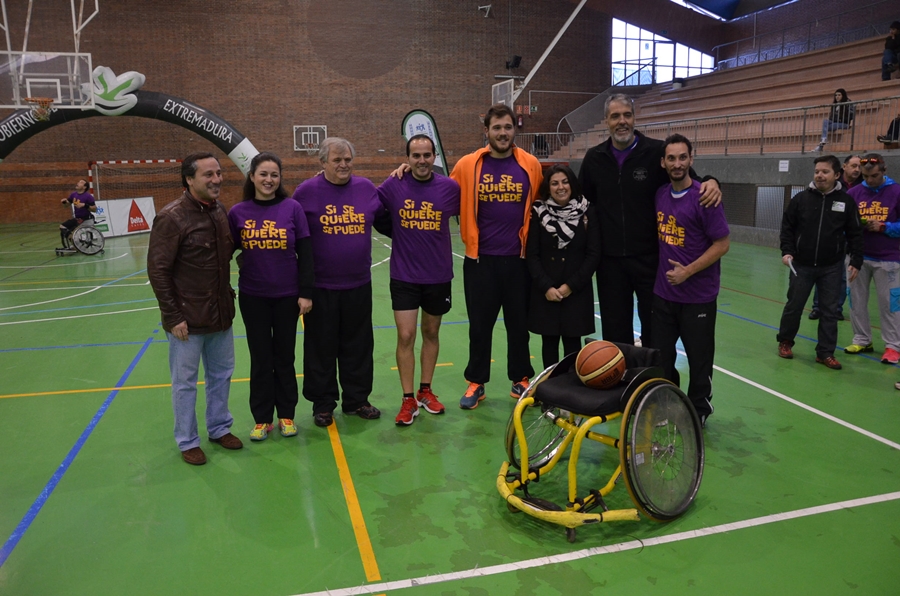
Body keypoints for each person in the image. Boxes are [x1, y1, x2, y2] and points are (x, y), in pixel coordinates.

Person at [578, 93, 720, 348]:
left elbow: (691, 180)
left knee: (655, 329)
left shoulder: (656, 152)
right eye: (615, 116)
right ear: (606, 121)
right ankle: (619, 384)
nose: (622, 121)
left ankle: (651, 382)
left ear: (634, 118)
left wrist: (712, 180)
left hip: (651, 260)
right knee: (615, 331)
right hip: (610, 263)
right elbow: (584, 205)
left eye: (627, 115)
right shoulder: (594, 159)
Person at [147, 152, 242, 465]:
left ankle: (218, 427)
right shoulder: (171, 217)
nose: (216, 179)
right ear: (189, 179)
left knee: (222, 374)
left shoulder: (219, 212)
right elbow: (158, 270)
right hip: (186, 320)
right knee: (185, 383)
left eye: (218, 173)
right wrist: (173, 316)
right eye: (208, 175)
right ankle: (187, 440)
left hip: (220, 314)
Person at [451, 104, 543, 409]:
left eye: (507, 127)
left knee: (519, 324)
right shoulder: (467, 165)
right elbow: (442, 193)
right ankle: (476, 382)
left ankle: (521, 379)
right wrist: (407, 171)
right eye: (496, 128)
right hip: (480, 261)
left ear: (514, 129)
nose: (502, 133)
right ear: (486, 131)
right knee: (480, 325)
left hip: (518, 260)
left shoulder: (530, 164)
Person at [291, 138, 388, 427]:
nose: (344, 164)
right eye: (337, 160)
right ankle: (323, 403)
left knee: (358, 345)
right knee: (321, 347)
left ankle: (357, 400)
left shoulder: (366, 189)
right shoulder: (305, 193)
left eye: (348, 159)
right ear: (322, 163)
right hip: (321, 288)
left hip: (359, 284)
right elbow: (292, 233)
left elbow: (387, 221)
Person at [227, 152, 314, 441]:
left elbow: (306, 254)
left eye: (274, 175)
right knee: (261, 358)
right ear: (252, 177)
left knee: (285, 357)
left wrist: (305, 293)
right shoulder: (238, 213)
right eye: (263, 174)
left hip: (288, 297)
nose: (268, 180)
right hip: (253, 298)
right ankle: (262, 418)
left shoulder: (292, 208)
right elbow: (226, 254)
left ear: (280, 179)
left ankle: (286, 415)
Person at [377, 134, 460, 425]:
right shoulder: (394, 184)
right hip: (404, 275)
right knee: (406, 335)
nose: (422, 161)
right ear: (408, 158)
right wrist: (395, 231)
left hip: (437, 275)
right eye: (416, 155)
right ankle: (407, 398)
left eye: (427, 155)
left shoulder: (450, 188)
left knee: (431, 333)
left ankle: (426, 390)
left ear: (434, 156)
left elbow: (471, 214)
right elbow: (373, 209)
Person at [650, 135, 730, 428]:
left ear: (691, 160)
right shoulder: (659, 194)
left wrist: (688, 271)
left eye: (683, 157)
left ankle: (699, 411)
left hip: (698, 296)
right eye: (671, 158)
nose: (677, 164)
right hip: (663, 294)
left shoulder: (705, 197)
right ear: (663, 162)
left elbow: (722, 244)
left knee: (699, 359)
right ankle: (667, 401)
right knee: (662, 357)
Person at [776, 155, 863, 370]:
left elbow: (855, 233)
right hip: (802, 265)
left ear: (836, 174)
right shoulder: (800, 199)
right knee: (794, 306)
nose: (819, 175)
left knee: (829, 311)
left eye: (825, 171)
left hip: (832, 267)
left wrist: (856, 260)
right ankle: (785, 341)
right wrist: (787, 251)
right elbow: (787, 227)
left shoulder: (846, 201)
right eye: (817, 171)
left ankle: (825, 352)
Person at [525, 164, 600, 369]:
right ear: (548, 187)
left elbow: (593, 254)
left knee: (573, 347)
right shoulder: (538, 213)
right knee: (548, 344)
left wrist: (570, 286)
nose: (561, 187)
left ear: (572, 184)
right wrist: (547, 287)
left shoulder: (587, 211)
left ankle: (571, 394)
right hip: (546, 293)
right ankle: (549, 392)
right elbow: (532, 255)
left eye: (565, 182)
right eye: (555, 183)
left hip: (576, 292)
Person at [844, 154, 900, 364]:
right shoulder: (854, 193)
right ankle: (862, 338)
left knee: (889, 304)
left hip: (889, 258)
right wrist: (858, 225)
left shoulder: (896, 191)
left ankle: (893, 346)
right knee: (856, 300)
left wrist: (884, 226)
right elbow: (845, 224)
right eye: (866, 177)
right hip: (858, 257)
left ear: (884, 171)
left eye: (875, 176)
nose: (870, 181)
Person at [809, 154, 862, 320]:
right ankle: (817, 307)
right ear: (843, 168)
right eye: (853, 166)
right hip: (827, 244)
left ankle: (836, 308)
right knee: (820, 275)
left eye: (859, 167)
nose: (857, 170)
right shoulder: (829, 188)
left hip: (845, 244)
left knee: (841, 278)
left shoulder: (861, 188)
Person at [58, 179, 96, 249]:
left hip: (85, 219)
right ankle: (76, 243)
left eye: (81, 182)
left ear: (84, 187)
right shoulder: (73, 195)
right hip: (77, 219)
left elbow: (94, 209)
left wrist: (85, 205)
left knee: (69, 228)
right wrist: (64, 202)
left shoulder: (88, 197)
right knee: (63, 227)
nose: (78, 183)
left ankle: (76, 243)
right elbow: (67, 205)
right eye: (78, 181)